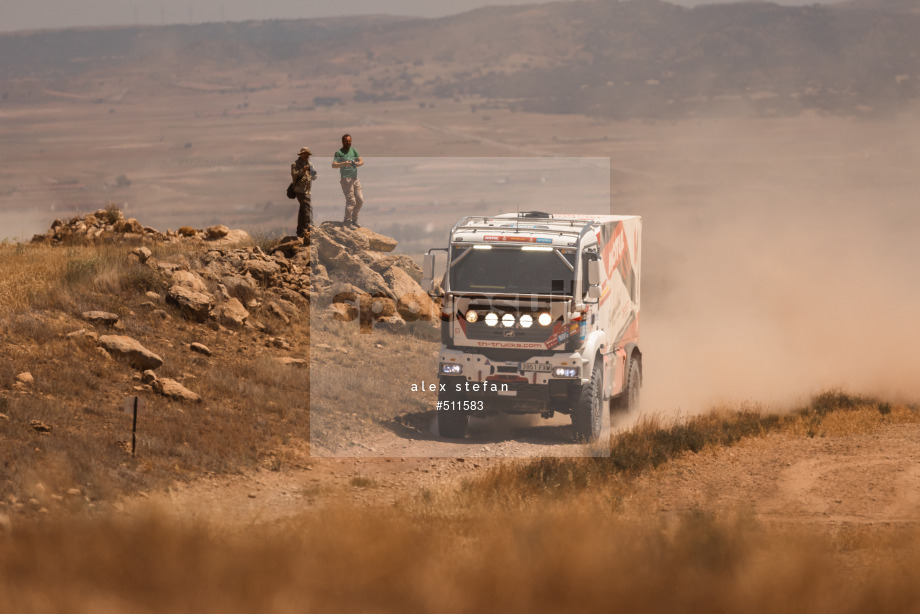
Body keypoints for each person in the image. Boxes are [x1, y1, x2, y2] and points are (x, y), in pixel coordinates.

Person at [332, 133, 364, 227]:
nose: (348, 142)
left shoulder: (354, 151)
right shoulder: (339, 153)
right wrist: (344, 163)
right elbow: (334, 165)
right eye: (346, 141)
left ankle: (354, 219)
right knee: (351, 201)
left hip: (355, 178)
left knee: (360, 200)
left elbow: (362, 161)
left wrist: (357, 163)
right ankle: (347, 221)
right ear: (342, 142)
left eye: (349, 141)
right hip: (346, 179)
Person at [291, 146, 317, 238]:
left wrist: (313, 173)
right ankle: (310, 226)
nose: (306, 155)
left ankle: (300, 230)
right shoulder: (295, 164)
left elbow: (314, 177)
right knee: (307, 206)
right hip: (299, 189)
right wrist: (303, 170)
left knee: (303, 209)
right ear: (301, 154)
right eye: (304, 154)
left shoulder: (310, 164)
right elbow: (294, 174)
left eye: (307, 154)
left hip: (307, 189)